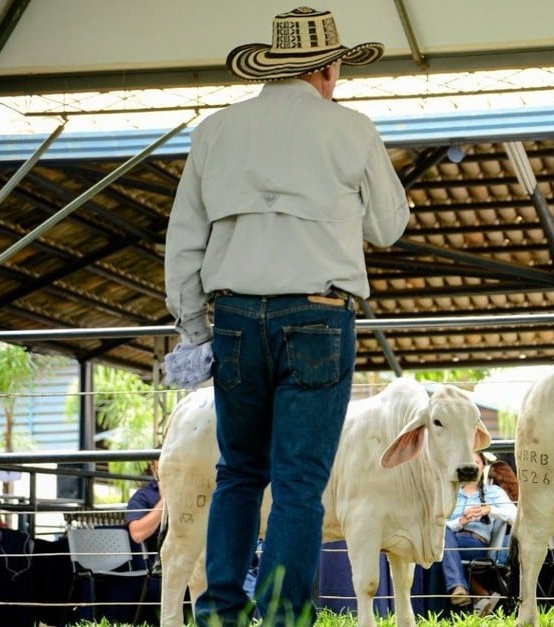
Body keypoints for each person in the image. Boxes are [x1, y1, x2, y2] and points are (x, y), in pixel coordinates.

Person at [163, 7, 409, 625]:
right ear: (326, 69)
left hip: (235, 319)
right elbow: (389, 225)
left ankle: (220, 610)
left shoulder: (214, 132)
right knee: (299, 481)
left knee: (239, 472)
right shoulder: (352, 129)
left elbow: (184, 241)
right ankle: (282, 616)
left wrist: (195, 328)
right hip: (319, 316)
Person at [442, 453, 516, 614]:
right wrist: (459, 522)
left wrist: (490, 510)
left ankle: (464, 589)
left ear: (483, 467)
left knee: (443, 544)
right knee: (442, 532)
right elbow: (438, 525)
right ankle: (478, 595)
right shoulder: (450, 493)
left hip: (474, 542)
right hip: (448, 540)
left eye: (476, 462)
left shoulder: (493, 492)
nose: (472, 465)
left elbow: (516, 516)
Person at [125, 460, 164, 560]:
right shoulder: (143, 496)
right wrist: (165, 501)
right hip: (160, 563)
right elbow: (137, 534)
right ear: (153, 467)